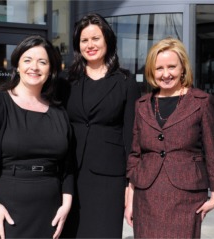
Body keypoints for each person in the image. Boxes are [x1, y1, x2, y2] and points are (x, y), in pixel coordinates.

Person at [0, 35, 74, 239]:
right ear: (17, 65)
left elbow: (69, 164)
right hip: (6, 209)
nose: (34, 67)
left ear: (50, 70)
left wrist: (66, 204)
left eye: (42, 62)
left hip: (50, 210)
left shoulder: (59, 113)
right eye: (27, 60)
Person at [125, 37, 214, 238]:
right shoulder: (142, 105)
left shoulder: (202, 102)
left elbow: (213, 152)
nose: (166, 74)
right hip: (147, 196)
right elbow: (135, 154)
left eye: (172, 67)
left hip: (186, 197)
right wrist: (130, 197)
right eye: (159, 68)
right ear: (151, 71)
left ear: (183, 68)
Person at [60, 13, 141, 238]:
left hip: (109, 178)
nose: (90, 45)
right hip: (70, 174)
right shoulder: (66, 81)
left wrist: (130, 185)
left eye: (96, 38)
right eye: (84, 40)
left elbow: (131, 137)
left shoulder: (125, 82)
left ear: (107, 40)